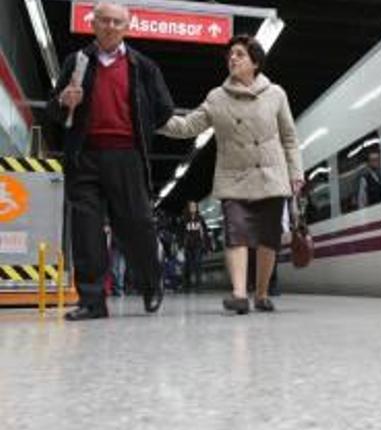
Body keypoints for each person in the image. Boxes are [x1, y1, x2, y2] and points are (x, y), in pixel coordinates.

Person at [160, 35, 304, 315]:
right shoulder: (217, 97)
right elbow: (188, 125)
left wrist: (295, 173)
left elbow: (289, 138)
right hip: (233, 178)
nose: (233, 58)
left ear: (255, 62)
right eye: (231, 55)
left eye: (239, 54)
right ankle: (239, 294)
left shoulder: (276, 94)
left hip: (271, 177)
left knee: (267, 239)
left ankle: (261, 293)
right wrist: (156, 121)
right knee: (235, 234)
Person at [47, 2, 173, 320]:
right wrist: (64, 100)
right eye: (104, 20)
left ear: (126, 27)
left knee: (136, 225)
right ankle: (92, 300)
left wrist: (139, 127)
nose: (111, 26)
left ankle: (150, 283)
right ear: (93, 24)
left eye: (117, 22)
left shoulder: (143, 66)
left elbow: (165, 109)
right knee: (86, 229)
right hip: (84, 154)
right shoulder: (76, 61)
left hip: (127, 155)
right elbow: (53, 110)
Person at [181, 201, 209, 292]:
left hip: (198, 244)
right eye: (191, 206)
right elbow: (181, 232)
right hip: (188, 245)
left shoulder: (200, 219)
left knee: (198, 263)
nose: (193, 208)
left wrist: (207, 245)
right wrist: (182, 244)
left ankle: (199, 286)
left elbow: (205, 232)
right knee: (187, 265)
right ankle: (187, 285)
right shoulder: (185, 219)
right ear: (188, 208)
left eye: (194, 206)